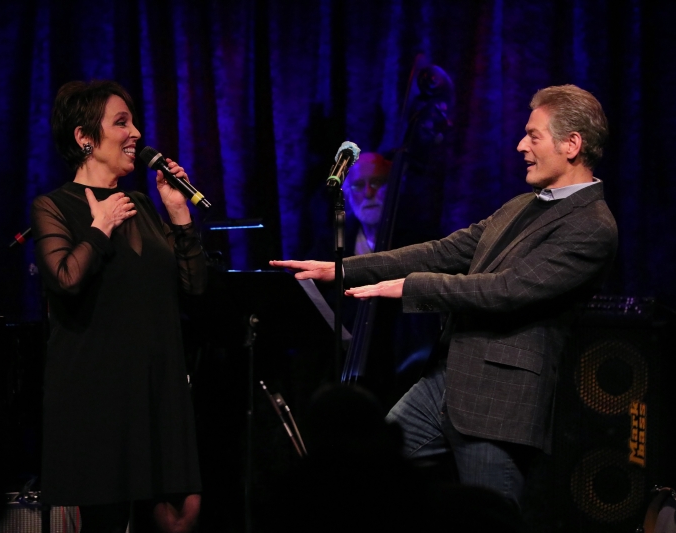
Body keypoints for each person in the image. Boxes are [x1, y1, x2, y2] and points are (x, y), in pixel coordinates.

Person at [271, 84, 618, 508]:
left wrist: (412, 287)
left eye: (533, 135)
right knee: (362, 482)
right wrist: (341, 268)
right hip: (442, 382)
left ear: (572, 144)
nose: (520, 145)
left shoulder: (592, 226)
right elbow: (444, 250)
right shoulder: (522, 205)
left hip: (498, 402)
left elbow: (507, 290)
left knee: (488, 515)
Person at [31, 80, 206, 533]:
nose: (136, 133)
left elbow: (194, 287)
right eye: (121, 123)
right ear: (84, 138)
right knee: (106, 520)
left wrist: (179, 215)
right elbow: (66, 280)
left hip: (156, 386)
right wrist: (99, 227)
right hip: (98, 392)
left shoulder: (144, 206)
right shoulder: (54, 206)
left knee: (179, 517)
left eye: (133, 121)